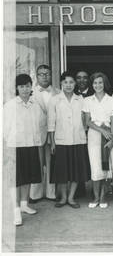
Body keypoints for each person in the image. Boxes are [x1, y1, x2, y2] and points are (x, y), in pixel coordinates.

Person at [4, 74, 45, 226]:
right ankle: (15, 211)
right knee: (15, 180)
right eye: (22, 86)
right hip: (15, 146)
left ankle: (24, 204)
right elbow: (4, 128)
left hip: (31, 145)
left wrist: (38, 142)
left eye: (27, 86)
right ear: (17, 88)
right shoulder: (10, 105)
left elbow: (40, 125)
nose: (25, 89)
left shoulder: (35, 105)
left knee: (28, 177)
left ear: (31, 87)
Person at [48, 71, 90, 208]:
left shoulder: (81, 99)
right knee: (61, 172)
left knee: (75, 171)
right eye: (65, 82)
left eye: (71, 82)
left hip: (78, 140)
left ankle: (71, 198)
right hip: (61, 141)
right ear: (61, 83)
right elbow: (51, 123)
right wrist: (52, 142)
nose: (68, 85)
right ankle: (63, 198)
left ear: (75, 84)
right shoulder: (54, 99)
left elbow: (86, 120)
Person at [83, 72, 113, 208]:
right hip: (94, 136)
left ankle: (103, 197)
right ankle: (95, 197)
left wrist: (111, 138)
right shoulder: (88, 100)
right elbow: (87, 122)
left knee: (106, 169)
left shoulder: (112, 100)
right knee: (95, 167)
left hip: (109, 136)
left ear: (105, 84)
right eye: (95, 83)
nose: (98, 85)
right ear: (92, 85)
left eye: (100, 82)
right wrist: (102, 130)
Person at [30, 65, 60, 203]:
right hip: (36, 133)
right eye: (41, 74)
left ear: (51, 75)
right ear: (36, 76)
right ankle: (35, 194)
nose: (44, 76)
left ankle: (51, 193)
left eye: (47, 74)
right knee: (37, 163)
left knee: (51, 164)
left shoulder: (58, 92)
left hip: (54, 133)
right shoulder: (30, 92)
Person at [74, 70, 93, 198]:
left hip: (92, 132)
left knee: (92, 160)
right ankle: (79, 189)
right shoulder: (72, 94)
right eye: (79, 78)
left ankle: (93, 190)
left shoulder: (94, 93)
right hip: (77, 133)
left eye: (85, 78)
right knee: (79, 161)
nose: (82, 80)